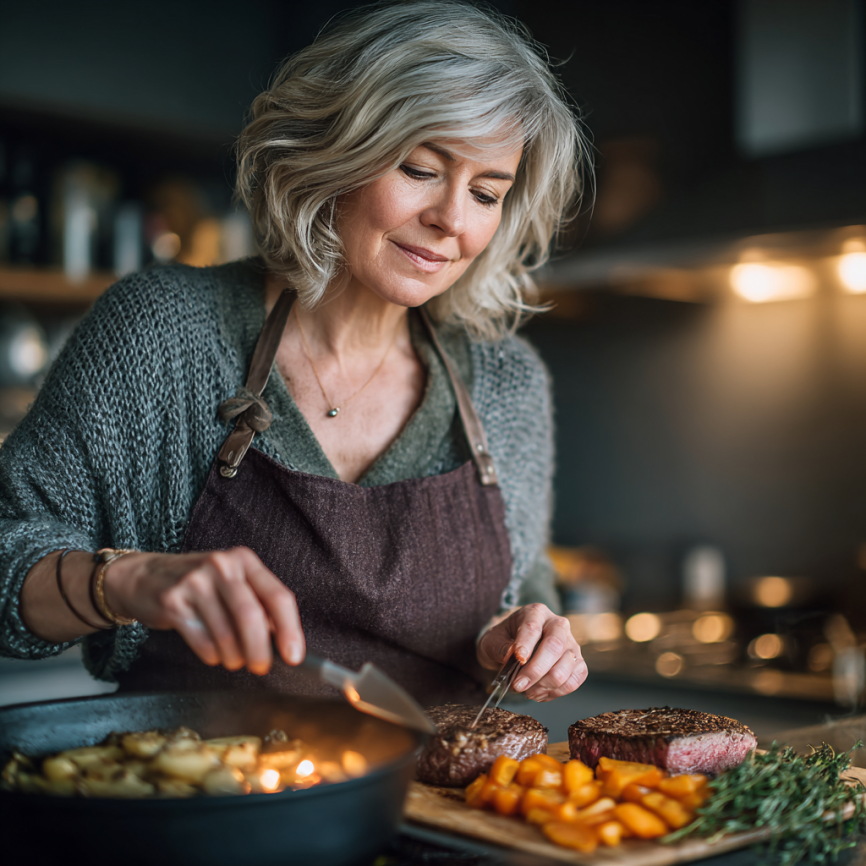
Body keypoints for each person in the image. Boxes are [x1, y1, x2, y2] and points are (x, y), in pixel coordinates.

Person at [0, 0, 590, 707]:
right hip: (202, 798)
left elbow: (521, 594)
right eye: (419, 168)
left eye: (487, 193)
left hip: (443, 815)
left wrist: (521, 639)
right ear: (335, 149)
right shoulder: (165, 334)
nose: (453, 222)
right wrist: (126, 580)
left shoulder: (506, 382)